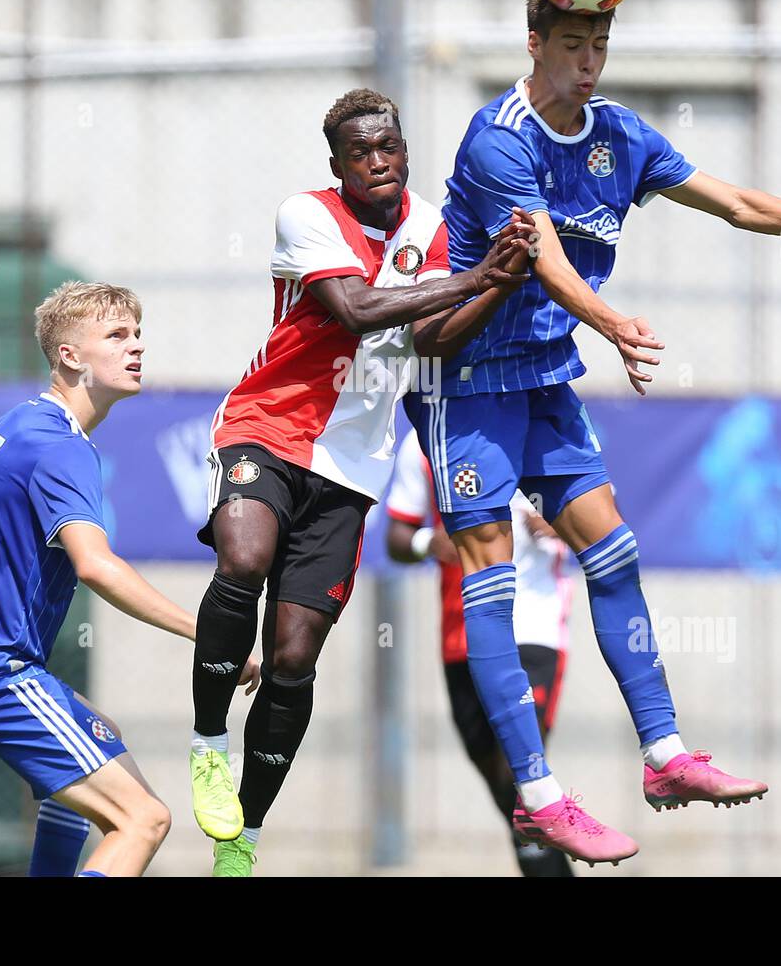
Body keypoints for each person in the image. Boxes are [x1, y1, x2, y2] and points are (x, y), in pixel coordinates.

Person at [410, 0, 781, 865]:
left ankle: (664, 757)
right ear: (533, 42)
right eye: (571, 43)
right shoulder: (497, 135)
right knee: (491, 573)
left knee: (615, 553)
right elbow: (541, 252)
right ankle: (536, 796)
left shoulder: (621, 135)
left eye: (599, 44)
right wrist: (613, 325)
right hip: (465, 379)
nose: (587, 62)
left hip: (541, 374)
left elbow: (732, 201)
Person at [189, 87, 536, 876]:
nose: (377, 162)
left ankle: (241, 836)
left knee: (293, 657)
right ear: (336, 165)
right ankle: (208, 743)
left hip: (351, 464)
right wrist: (480, 272)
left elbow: (434, 342)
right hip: (269, 425)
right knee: (242, 559)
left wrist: (499, 285)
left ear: (404, 149)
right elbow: (356, 308)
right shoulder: (305, 215)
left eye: (389, 147)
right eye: (359, 153)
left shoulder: (433, 227)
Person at [0, 282, 259, 877]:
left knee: (104, 740)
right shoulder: (60, 447)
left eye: (138, 334)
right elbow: (95, 565)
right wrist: (211, 635)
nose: (137, 348)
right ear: (69, 356)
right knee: (142, 819)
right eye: (117, 336)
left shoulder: (20, 424)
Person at [386, 426, 573, 877]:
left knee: (520, 767)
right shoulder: (426, 438)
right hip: (461, 634)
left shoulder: (545, 425)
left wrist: (561, 520)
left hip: (534, 627)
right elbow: (396, 536)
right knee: (500, 780)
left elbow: (607, 516)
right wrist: (428, 542)